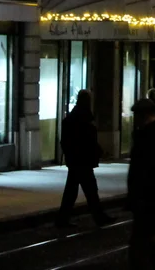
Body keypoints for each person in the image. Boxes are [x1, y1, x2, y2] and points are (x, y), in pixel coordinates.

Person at [127, 97, 155, 270]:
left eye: (137, 116)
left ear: (144, 116)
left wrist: (140, 199)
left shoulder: (151, 138)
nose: (135, 120)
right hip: (149, 201)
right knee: (145, 242)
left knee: (139, 245)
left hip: (149, 201)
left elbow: (149, 172)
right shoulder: (151, 135)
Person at [56, 89, 111, 228]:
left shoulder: (72, 117)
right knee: (90, 191)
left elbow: (66, 141)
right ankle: (99, 217)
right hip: (82, 161)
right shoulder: (84, 118)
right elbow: (88, 140)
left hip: (75, 160)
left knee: (73, 191)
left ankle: (63, 219)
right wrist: (99, 152)